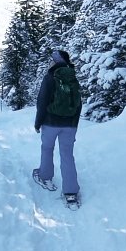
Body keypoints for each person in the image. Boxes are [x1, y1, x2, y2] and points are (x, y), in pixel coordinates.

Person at [33, 48, 81, 203]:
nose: (50, 62)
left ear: (56, 61)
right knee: (67, 155)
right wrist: (74, 124)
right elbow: (78, 104)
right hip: (70, 125)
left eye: (52, 59)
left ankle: (45, 177)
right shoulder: (73, 78)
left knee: (47, 149)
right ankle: (71, 193)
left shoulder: (50, 77)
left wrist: (38, 122)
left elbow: (42, 101)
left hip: (50, 123)